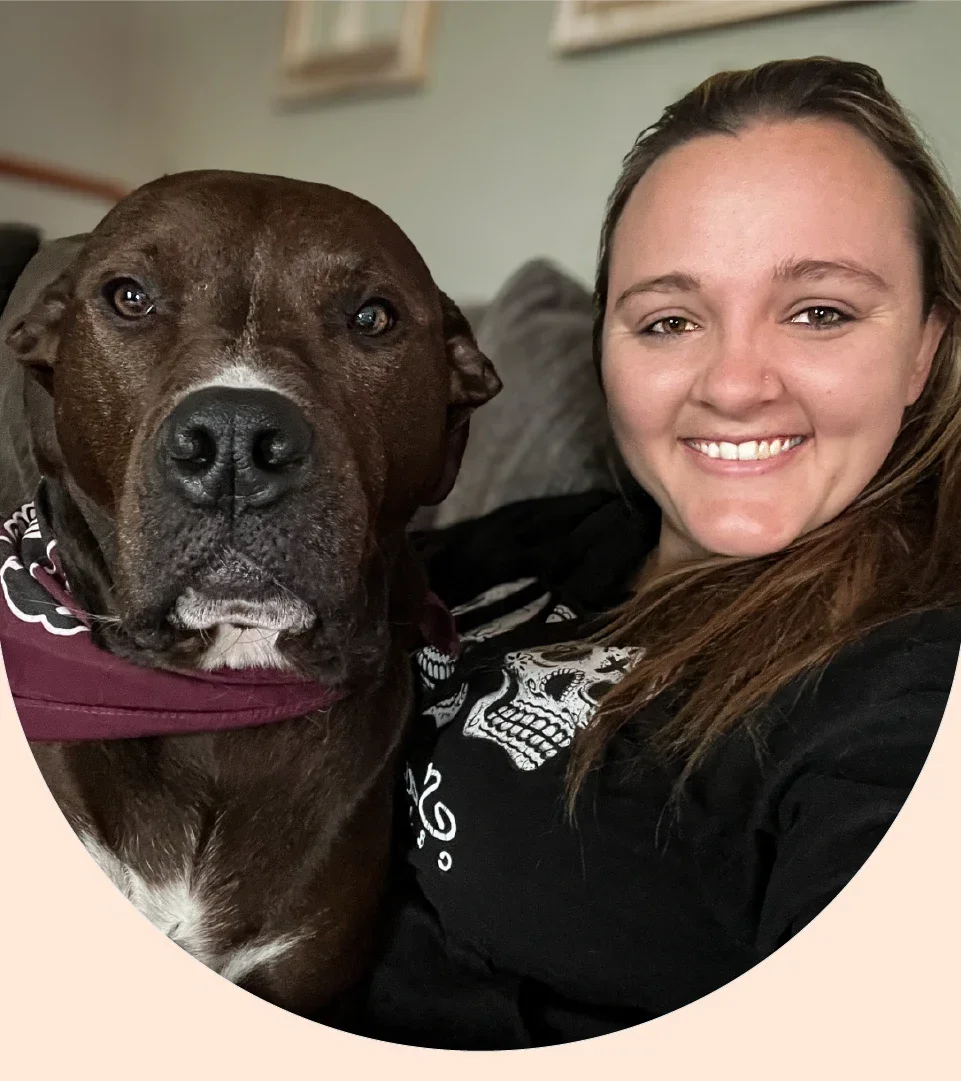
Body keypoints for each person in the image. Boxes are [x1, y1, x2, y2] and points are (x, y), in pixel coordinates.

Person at [347, 56, 961, 1049]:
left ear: (925, 347)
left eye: (819, 311)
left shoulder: (900, 692)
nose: (733, 383)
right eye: (669, 320)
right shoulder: (549, 540)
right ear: (605, 348)